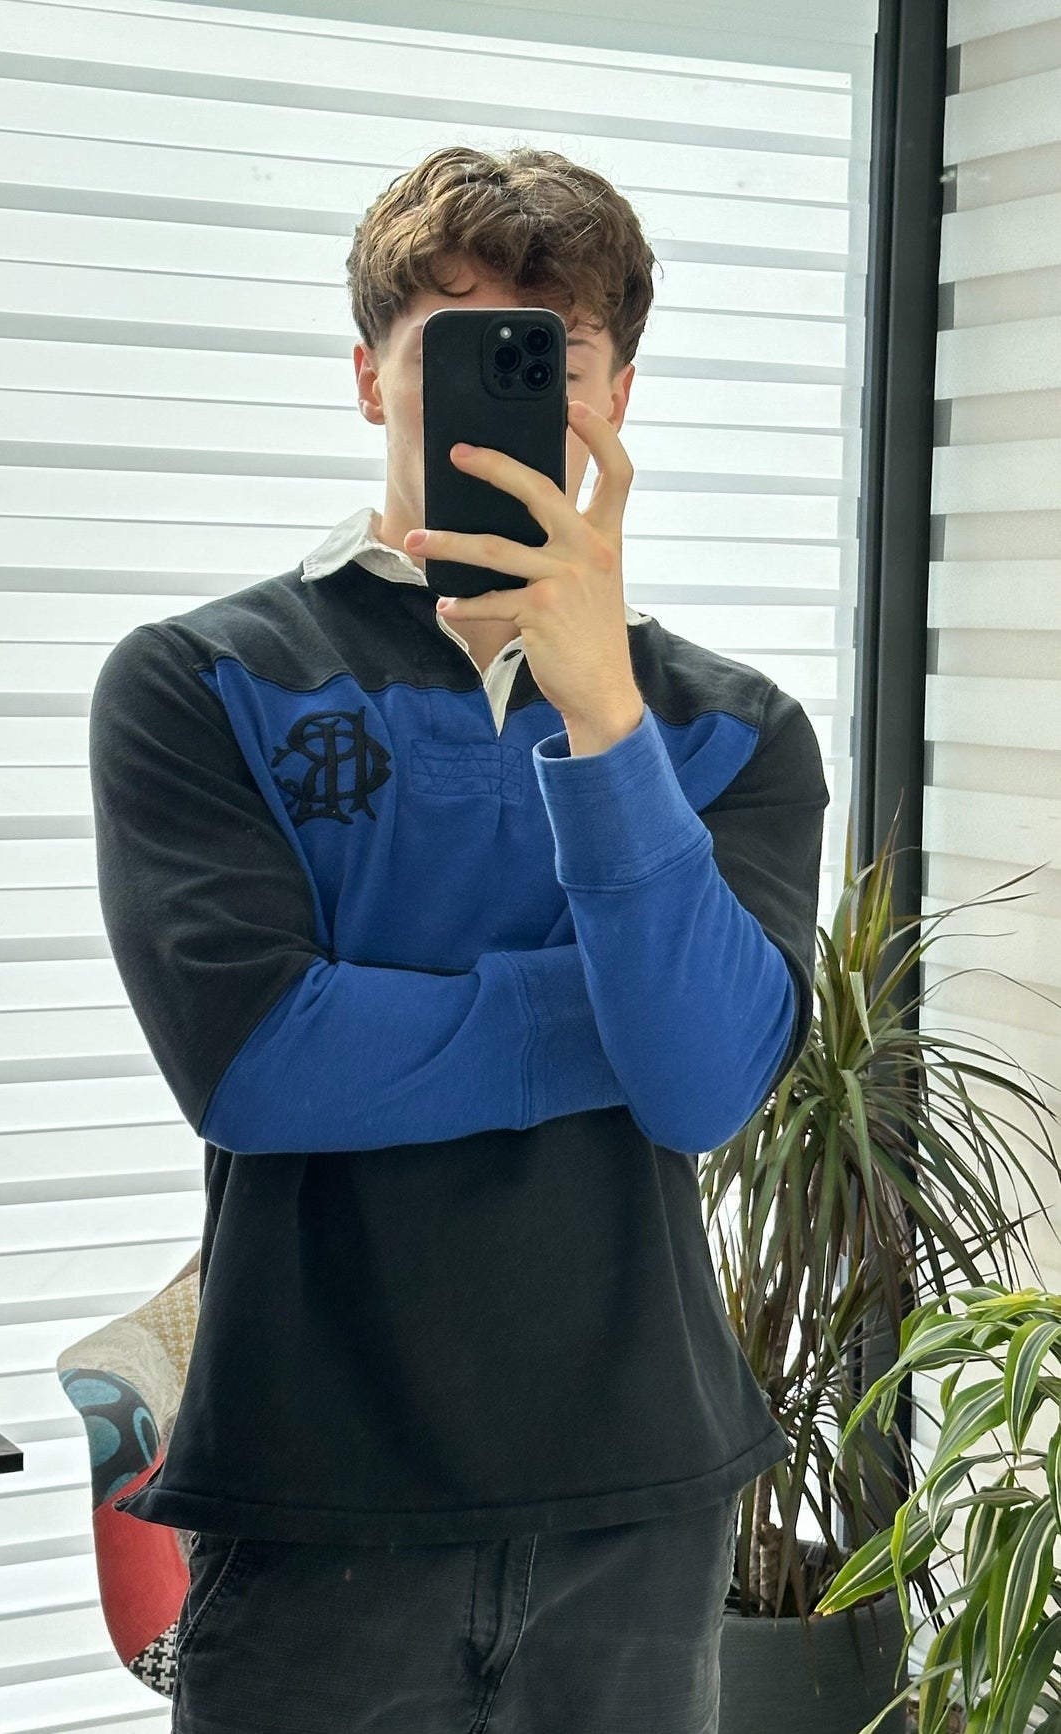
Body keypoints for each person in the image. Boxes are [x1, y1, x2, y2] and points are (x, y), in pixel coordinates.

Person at [89, 143, 829, 1733]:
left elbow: (701, 1085)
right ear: (370, 376)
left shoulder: (730, 729)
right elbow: (261, 1065)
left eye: (549, 355)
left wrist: (602, 715)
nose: (504, 399)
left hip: (638, 1495)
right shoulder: (199, 679)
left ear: (615, 391)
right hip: (312, 1486)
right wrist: (607, 1010)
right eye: (453, 348)